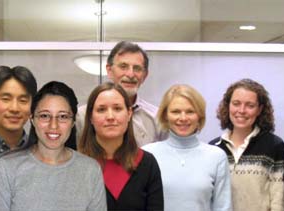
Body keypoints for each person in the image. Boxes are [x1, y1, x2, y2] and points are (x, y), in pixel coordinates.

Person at [0, 81, 106, 210]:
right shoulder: (7, 169)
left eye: (62, 116)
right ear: (32, 119)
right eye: (45, 116)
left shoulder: (90, 170)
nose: (53, 125)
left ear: (73, 122)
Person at [142, 84, 232, 211]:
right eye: (176, 111)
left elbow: (223, 207)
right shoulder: (148, 154)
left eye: (190, 111)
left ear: (199, 116)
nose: (183, 118)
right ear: (165, 116)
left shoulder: (216, 157)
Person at [79, 82, 164, 210]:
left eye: (117, 108)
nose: (110, 117)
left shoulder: (147, 163)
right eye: (101, 109)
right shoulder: (75, 166)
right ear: (90, 117)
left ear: (129, 113)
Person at [209, 79, 284, 211]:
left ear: (259, 110)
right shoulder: (213, 148)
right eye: (236, 104)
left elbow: (279, 199)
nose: (242, 110)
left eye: (250, 105)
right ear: (228, 106)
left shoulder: (274, 146)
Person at [77, 41, 166, 148]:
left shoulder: (157, 118)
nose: (130, 74)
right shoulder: (82, 116)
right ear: (109, 70)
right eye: (123, 67)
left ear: (145, 75)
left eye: (137, 68)